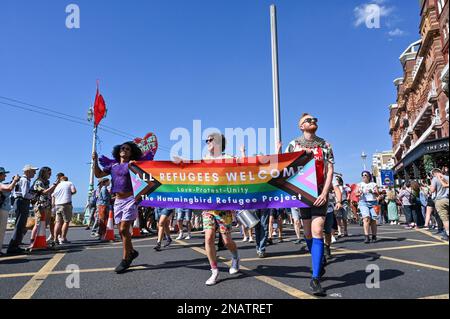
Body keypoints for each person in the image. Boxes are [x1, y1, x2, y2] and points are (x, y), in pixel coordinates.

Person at [285, 113, 336, 296]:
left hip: (320, 193)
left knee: (318, 230)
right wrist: (300, 156)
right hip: (303, 194)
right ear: (301, 126)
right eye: (308, 120)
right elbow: (286, 168)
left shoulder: (325, 145)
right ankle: (319, 259)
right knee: (307, 233)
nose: (313, 122)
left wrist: (325, 192)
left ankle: (315, 278)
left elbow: (330, 170)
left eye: (315, 120)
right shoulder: (294, 144)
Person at [93, 141, 142, 273]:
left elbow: (146, 180)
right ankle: (131, 252)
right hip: (118, 201)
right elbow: (98, 175)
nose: (124, 150)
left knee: (124, 228)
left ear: (131, 153)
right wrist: (95, 161)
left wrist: (139, 197)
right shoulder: (113, 166)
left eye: (127, 149)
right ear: (118, 151)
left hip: (130, 199)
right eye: (122, 148)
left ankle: (126, 259)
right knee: (121, 231)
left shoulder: (132, 165)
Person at [202, 133, 242, 286]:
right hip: (207, 205)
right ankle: (214, 271)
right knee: (209, 237)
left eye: (210, 140)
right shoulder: (204, 160)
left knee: (226, 240)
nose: (207, 142)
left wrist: (241, 161)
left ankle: (236, 257)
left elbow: (241, 171)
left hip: (224, 205)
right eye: (206, 140)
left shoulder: (228, 158)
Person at [7, 165, 38, 255]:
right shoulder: (25, 180)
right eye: (33, 171)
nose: (34, 173)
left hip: (20, 202)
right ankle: (13, 247)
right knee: (20, 225)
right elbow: (25, 194)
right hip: (22, 201)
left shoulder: (22, 180)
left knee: (20, 224)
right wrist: (34, 195)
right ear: (27, 171)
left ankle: (15, 245)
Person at [30, 167, 59, 247]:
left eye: (51, 173)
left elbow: (49, 192)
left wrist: (54, 187)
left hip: (47, 205)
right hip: (40, 205)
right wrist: (54, 185)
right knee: (38, 223)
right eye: (49, 173)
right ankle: (32, 241)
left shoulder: (46, 182)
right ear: (43, 173)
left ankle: (40, 241)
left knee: (44, 224)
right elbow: (44, 192)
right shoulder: (38, 182)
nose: (50, 175)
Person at [0, 168, 20, 256]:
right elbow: (9, 188)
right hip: (1, 209)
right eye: (4, 174)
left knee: (1, 231)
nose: (5, 175)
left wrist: (13, 181)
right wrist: (15, 181)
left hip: (3, 209)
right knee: (0, 231)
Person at [52, 176, 76, 244]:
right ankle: (63, 238)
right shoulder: (69, 183)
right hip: (66, 204)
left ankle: (55, 239)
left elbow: (53, 195)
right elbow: (74, 191)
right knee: (66, 221)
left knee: (58, 222)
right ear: (67, 179)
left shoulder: (58, 185)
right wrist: (69, 194)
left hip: (57, 205)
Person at [357, 171, 379, 244]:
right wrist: (359, 193)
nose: (364, 176)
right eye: (362, 175)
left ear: (369, 176)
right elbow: (356, 194)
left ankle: (374, 236)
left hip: (373, 202)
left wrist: (372, 191)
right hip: (363, 202)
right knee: (366, 218)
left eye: (365, 175)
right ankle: (366, 236)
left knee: (373, 220)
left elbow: (377, 194)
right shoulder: (360, 184)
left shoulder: (373, 184)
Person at [430, 168, 449, 241]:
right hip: (448, 198)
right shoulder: (447, 177)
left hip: (440, 200)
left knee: (445, 219)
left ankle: (447, 234)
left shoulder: (435, 179)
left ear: (434, 173)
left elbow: (432, 190)